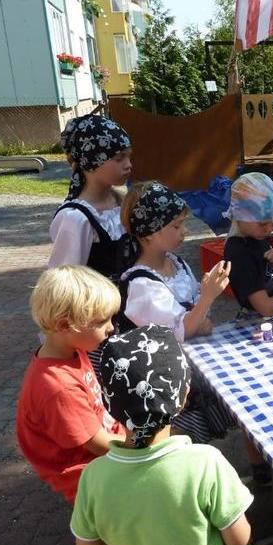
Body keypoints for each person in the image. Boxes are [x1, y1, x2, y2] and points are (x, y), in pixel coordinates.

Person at [70, 325, 257, 545]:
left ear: (108, 403)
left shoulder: (93, 476)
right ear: (184, 395)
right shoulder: (205, 463)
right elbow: (239, 542)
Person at [118, 181, 235, 444]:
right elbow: (180, 332)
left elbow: (196, 318)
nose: (184, 232)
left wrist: (202, 305)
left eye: (183, 224)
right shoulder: (141, 285)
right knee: (181, 441)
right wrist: (206, 298)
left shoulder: (175, 263)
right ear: (148, 233)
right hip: (164, 382)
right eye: (176, 226)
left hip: (191, 366)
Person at [16, 266, 125, 502]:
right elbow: (98, 445)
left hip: (105, 441)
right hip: (87, 473)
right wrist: (144, 446)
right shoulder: (58, 387)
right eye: (101, 321)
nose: (111, 327)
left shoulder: (72, 350)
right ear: (65, 325)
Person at [48, 114, 134, 279]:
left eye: (129, 157)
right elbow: (66, 283)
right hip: (98, 304)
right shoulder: (76, 218)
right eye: (119, 158)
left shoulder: (123, 204)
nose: (128, 165)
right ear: (91, 161)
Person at [223, 173, 273, 317]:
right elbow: (265, 308)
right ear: (240, 215)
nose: (270, 229)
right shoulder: (239, 252)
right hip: (259, 322)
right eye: (263, 223)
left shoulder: (257, 237)